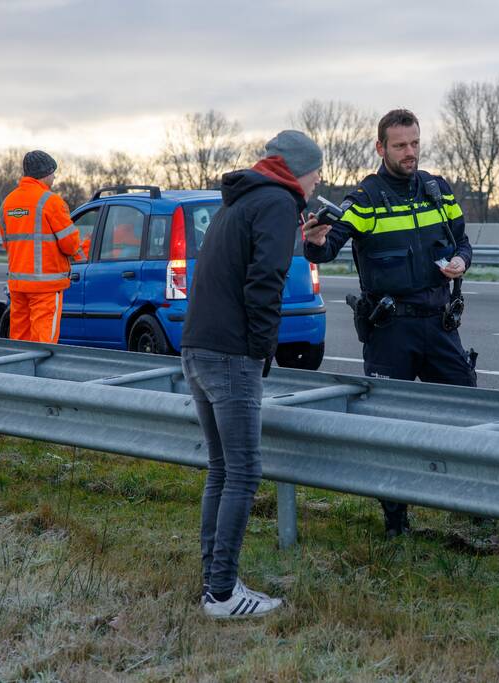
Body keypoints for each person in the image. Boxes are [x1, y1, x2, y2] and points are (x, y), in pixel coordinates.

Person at [302, 109, 476, 539]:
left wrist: (461, 261)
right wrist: (315, 240)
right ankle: (395, 518)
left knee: (471, 413)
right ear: (381, 148)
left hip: (439, 325)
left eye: (414, 143)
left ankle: (477, 505)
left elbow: (464, 241)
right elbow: (327, 249)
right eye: (400, 145)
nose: (410, 152)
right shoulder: (365, 197)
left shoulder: (437, 189)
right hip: (390, 330)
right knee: (386, 424)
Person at [181, 130, 323, 619]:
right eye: (318, 172)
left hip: (198, 346)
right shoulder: (280, 204)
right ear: (304, 170)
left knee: (222, 469)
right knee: (243, 472)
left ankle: (213, 583)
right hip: (230, 353)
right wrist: (263, 349)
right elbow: (265, 281)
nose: (318, 181)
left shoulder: (242, 200)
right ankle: (222, 594)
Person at [0, 150, 84, 343]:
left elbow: (8, 243)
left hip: (18, 285)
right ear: (45, 173)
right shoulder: (51, 202)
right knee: (45, 341)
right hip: (45, 286)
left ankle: (18, 373)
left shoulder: (7, 203)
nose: (54, 177)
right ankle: (39, 374)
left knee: (20, 339)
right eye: (53, 172)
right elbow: (70, 245)